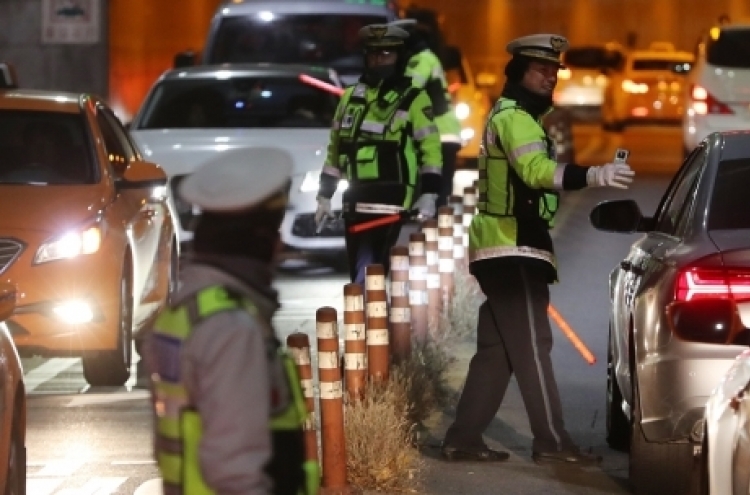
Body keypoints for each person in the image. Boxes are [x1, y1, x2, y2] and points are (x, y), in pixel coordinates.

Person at [440, 34, 635, 465]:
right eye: (539, 69)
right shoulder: (515, 117)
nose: (549, 76)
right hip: (511, 246)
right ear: (517, 72)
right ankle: (552, 441)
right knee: (533, 345)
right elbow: (535, 171)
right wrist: (595, 175)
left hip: (506, 246)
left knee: (498, 350)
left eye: (553, 69)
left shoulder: (522, 116)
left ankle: (463, 438)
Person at [142, 147, 319, 494]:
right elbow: (236, 469)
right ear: (256, 239)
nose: (280, 244)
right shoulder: (231, 328)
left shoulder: (185, 312)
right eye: (273, 232)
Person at [314, 23, 443, 284]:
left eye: (386, 54)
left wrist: (429, 194)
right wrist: (324, 195)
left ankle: (368, 316)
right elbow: (336, 150)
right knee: (359, 271)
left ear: (399, 57)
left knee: (372, 270)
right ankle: (365, 317)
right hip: (355, 198)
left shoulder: (414, 98)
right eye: (373, 54)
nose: (378, 60)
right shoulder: (349, 97)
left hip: (392, 198)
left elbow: (430, 151)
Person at [391, 17, 463, 208]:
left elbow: (409, 89)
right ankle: (435, 224)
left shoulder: (421, 60)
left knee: (435, 187)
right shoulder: (427, 57)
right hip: (443, 132)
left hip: (439, 133)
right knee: (437, 187)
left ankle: (436, 227)